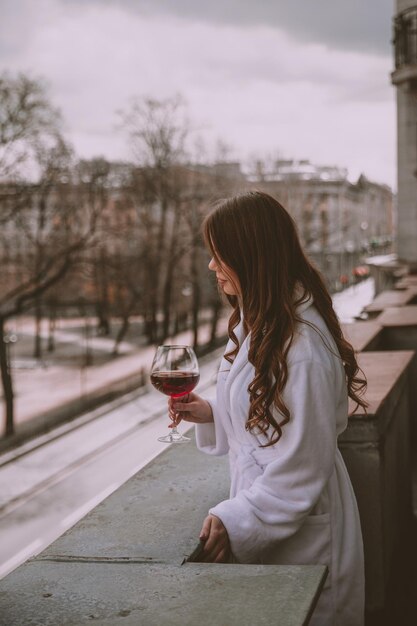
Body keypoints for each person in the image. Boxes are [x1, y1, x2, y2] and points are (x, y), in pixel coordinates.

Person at [169, 191, 366, 626]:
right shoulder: (266, 325)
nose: (211, 266)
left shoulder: (303, 348)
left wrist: (235, 518)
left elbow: (302, 466)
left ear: (249, 256)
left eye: (218, 255)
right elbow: (279, 418)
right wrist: (216, 413)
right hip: (283, 523)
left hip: (304, 531)